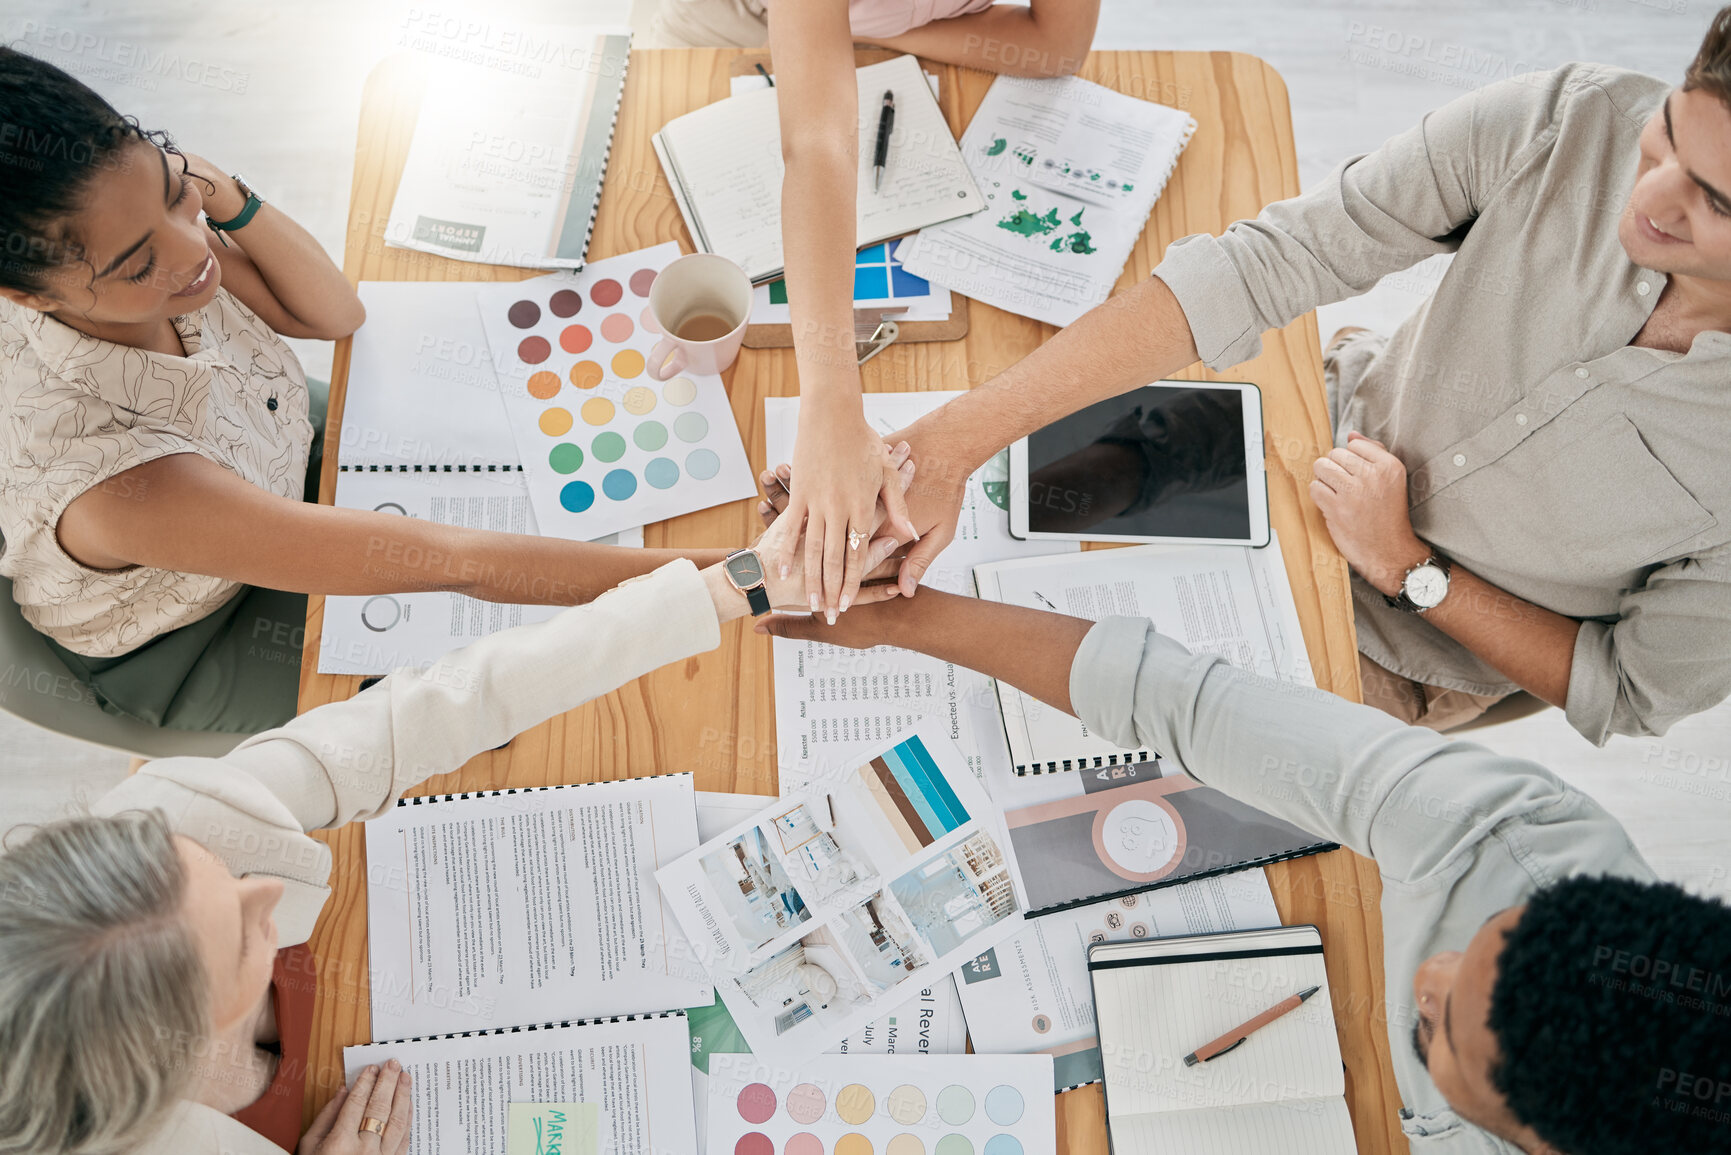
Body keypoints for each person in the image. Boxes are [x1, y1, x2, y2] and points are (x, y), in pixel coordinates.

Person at [874, 10, 1731, 743]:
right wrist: (948, 445)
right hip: (1320, 427)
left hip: (1406, 639)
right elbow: (1269, 263)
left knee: (1117, 757)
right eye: (1665, 139)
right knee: (1021, 514)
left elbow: (1620, 689)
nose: (1650, 198)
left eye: (1714, 202)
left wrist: (1409, 567)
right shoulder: (1571, 118)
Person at [0, 511, 901, 1155]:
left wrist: (731, 587)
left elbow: (427, 713)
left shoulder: (171, 817)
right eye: (241, 932)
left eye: (205, 867)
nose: (263, 884)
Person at [758, 591, 1731, 1155]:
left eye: (1438, 1031)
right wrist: (905, 616)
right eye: (1483, 938)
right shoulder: (1512, 841)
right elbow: (1184, 700)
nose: (1424, 977)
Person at [0, 47, 726, 734]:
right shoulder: (110, 477)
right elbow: (457, 562)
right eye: (138, 263)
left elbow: (332, 313)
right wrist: (734, 575)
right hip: (196, 627)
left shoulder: (141, 241)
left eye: (174, 188)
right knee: (503, 706)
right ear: (27, 297)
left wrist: (213, 191)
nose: (194, 251)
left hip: (271, 449)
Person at [653, 0, 1098, 624]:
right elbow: (816, 145)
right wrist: (831, 404)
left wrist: (866, 25)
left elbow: (1055, 48)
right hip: (731, 27)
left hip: (922, 42)